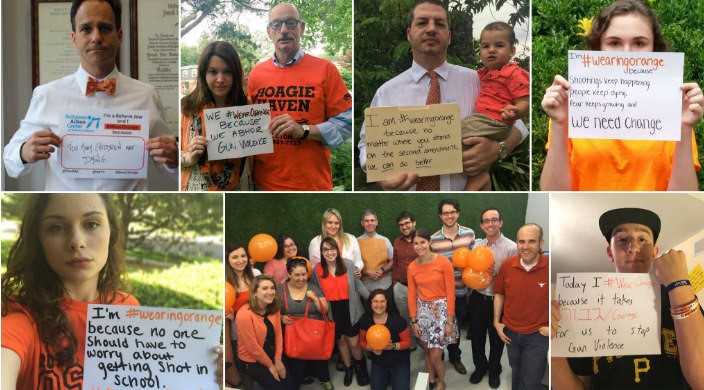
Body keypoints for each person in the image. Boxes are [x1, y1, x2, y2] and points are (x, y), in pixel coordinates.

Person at [3, 0, 178, 191]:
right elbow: (10, 163)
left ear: (119, 36)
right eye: (86, 29)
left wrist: (175, 159)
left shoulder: (147, 95)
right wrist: (23, 152)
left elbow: (173, 170)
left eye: (104, 28)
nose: (96, 37)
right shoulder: (47, 95)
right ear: (74, 38)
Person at [357, 0, 528, 191]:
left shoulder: (479, 81)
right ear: (409, 34)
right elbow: (366, 143)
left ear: (449, 37)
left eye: (439, 24)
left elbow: (518, 123)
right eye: (422, 23)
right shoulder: (386, 92)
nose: (431, 29)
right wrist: (380, 177)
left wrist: (498, 149)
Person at [540, 0, 703, 191]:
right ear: (598, 48)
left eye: (639, 43)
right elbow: (554, 193)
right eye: (614, 43)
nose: (627, 54)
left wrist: (684, 127)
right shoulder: (570, 107)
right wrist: (559, 123)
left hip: (649, 218)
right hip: (585, 217)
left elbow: (681, 200)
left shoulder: (675, 110)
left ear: (654, 49)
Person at [551, 208, 704, 389]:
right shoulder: (584, 307)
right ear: (610, 252)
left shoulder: (679, 296)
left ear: (655, 252)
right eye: (622, 239)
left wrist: (678, 283)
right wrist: (553, 345)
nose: (633, 247)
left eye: (642, 239)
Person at [1, 194, 138, 389]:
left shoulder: (128, 307)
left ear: (111, 231)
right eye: (57, 227)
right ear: (38, 239)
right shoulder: (22, 321)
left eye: (91, 224)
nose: (77, 242)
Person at [247, 2, 352, 191]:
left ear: (302, 28)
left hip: (311, 186)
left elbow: (348, 123)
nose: (284, 30)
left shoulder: (325, 70)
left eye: (291, 23)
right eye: (276, 24)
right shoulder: (256, 74)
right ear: (269, 31)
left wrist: (303, 130)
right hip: (263, 185)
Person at [461, 22, 529, 191]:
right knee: (465, 141)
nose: (491, 50)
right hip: (484, 120)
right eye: (486, 46)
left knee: (455, 136)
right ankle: (480, 177)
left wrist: (516, 111)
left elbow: (524, 100)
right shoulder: (481, 74)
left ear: (512, 51)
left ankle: (479, 177)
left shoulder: (514, 73)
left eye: (499, 45)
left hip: (495, 120)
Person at [180, 41, 251, 191]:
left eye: (227, 72)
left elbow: (252, 161)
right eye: (213, 72)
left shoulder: (247, 111)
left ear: (236, 74)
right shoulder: (186, 108)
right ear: (204, 73)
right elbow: (169, 154)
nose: (220, 79)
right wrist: (188, 157)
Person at [493, 223, 549, 390]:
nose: (525, 247)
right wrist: (496, 321)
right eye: (521, 241)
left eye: (531, 241)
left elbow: (565, 300)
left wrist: (554, 326)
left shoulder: (553, 267)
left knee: (530, 381)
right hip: (511, 333)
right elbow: (500, 293)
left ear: (541, 243)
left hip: (538, 336)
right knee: (516, 371)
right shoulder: (507, 265)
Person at [469, 207, 517, 388]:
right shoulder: (477, 246)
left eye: (494, 220)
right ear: (482, 225)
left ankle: (494, 370)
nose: (490, 224)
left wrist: (498, 274)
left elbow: (516, 279)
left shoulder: (512, 248)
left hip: (500, 300)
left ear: (501, 223)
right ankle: (480, 368)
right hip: (478, 298)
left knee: (497, 339)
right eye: (486, 221)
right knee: (477, 337)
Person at [314, 237, 370, 387]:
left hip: (350, 308)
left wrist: (372, 300)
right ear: (321, 252)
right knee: (341, 341)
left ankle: (360, 367)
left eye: (332, 249)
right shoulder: (317, 270)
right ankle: (348, 368)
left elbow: (358, 286)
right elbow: (317, 292)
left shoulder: (348, 264)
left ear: (337, 250)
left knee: (354, 342)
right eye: (325, 249)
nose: (330, 252)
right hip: (332, 311)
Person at [408, 228, 458, 390]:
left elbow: (451, 293)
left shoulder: (443, 262)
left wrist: (449, 321)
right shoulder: (412, 267)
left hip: (441, 311)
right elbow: (411, 295)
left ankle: (441, 382)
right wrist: (414, 320)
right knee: (427, 350)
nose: (419, 246)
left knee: (436, 354)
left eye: (422, 242)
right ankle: (430, 378)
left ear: (429, 242)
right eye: (415, 243)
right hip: (422, 311)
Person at [430, 198, 474, 375]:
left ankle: (455, 358)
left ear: (458, 213)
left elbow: (475, 262)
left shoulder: (469, 234)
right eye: (445, 213)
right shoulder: (433, 240)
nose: (449, 216)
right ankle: (438, 359)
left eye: (452, 212)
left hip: (462, 292)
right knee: (441, 327)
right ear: (440, 216)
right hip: (441, 295)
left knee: (455, 328)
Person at [277, 257, 333, 390]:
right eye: (297, 275)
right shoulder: (279, 290)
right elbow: (269, 312)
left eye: (303, 274)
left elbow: (325, 309)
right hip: (293, 334)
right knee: (295, 365)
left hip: (315, 333)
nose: (301, 278)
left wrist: (314, 297)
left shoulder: (313, 288)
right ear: (289, 274)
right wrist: (280, 317)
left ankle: (325, 380)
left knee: (320, 361)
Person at [236, 274, 287, 389]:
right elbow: (252, 347)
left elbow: (278, 334)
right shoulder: (244, 314)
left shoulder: (274, 307)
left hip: (271, 353)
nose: (270, 292)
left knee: (290, 386)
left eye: (272, 288)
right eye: (264, 288)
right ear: (254, 292)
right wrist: (271, 366)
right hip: (251, 360)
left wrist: (278, 360)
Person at [359, 289, 412, 390]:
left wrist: (393, 346)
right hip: (379, 363)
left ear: (387, 303)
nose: (379, 305)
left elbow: (408, 342)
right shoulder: (365, 320)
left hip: (399, 362)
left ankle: (394, 377)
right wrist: (372, 348)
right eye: (375, 301)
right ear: (370, 303)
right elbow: (362, 343)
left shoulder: (398, 320)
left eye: (382, 301)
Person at [225, 242, 260, 388]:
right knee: (245, 368)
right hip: (239, 333)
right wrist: (228, 314)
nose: (240, 260)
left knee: (261, 363)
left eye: (243, 256)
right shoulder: (224, 282)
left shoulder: (256, 274)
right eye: (235, 257)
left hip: (259, 329)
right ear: (227, 260)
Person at [392, 210, 419, 350]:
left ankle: (424, 343)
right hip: (401, 287)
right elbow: (395, 263)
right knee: (405, 318)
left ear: (414, 223)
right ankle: (412, 343)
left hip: (420, 288)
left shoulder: (421, 240)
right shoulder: (397, 242)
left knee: (422, 316)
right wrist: (395, 284)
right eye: (401, 224)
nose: (404, 226)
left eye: (407, 223)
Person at [308, 208, 363, 274]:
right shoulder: (315, 242)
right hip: (326, 282)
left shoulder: (351, 238)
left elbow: (359, 261)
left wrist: (357, 269)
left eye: (336, 223)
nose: (333, 226)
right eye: (330, 222)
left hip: (349, 280)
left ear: (340, 225)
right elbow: (313, 267)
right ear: (324, 223)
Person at [357, 209, 394, 294]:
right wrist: (366, 272)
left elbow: (393, 259)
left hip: (386, 285)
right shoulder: (356, 242)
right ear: (362, 223)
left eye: (372, 220)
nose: (370, 223)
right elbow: (353, 265)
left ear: (376, 222)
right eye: (366, 221)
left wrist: (382, 270)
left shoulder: (385, 240)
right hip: (364, 288)